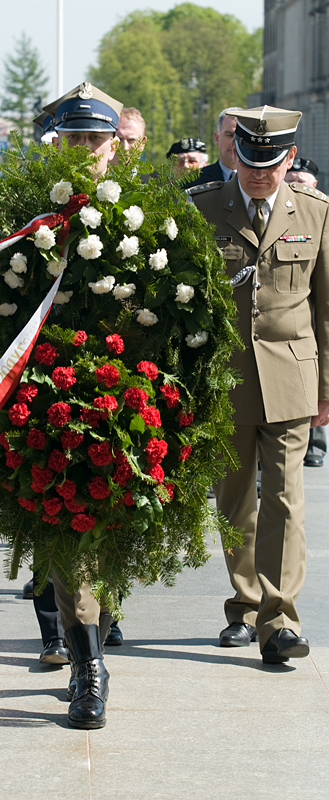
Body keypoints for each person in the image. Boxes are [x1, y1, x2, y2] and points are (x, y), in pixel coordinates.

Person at [190, 105, 329, 664]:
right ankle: (244, 605)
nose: (257, 173)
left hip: (293, 374)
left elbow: (326, 308)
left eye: (269, 164)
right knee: (235, 501)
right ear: (235, 155)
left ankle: (278, 619)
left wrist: (327, 388)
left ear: (288, 158)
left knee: (285, 499)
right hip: (225, 378)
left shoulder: (315, 213)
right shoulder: (205, 208)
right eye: (248, 161)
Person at [31, 81, 124, 728]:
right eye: (74, 139)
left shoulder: (146, 210)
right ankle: (85, 668)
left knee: (115, 537)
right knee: (69, 534)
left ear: (114, 147)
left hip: (127, 401)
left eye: (95, 139)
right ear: (56, 144)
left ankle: (98, 631)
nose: (85, 149)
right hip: (53, 401)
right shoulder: (29, 211)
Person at [285, 156, 328, 468]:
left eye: (302, 182)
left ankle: (317, 440)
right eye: (292, 181)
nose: (296, 186)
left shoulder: (320, 211)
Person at [185, 108, 239, 187]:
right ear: (217, 138)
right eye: (229, 135)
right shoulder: (194, 181)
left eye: (239, 136)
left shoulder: (259, 181)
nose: (234, 142)